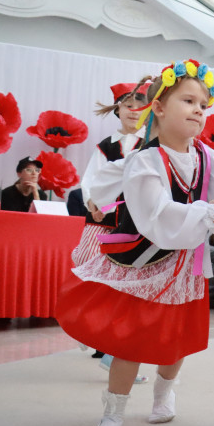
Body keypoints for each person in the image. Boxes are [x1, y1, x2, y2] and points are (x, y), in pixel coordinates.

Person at [56, 60, 214, 426]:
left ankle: (165, 393)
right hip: (144, 261)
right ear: (159, 108)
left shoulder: (207, 157)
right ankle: (113, 412)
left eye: (203, 103)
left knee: (175, 337)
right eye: (188, 100)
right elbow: (157, 217)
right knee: (129, 340)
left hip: (184, 265)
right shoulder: (146, 160)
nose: (200, 109)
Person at [75, 82, 149, 376]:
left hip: (138, 224)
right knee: (94, 277)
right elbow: (90, 181)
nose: (134, 111)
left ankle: (114, 351)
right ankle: (95, 336)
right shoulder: (106, 146)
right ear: (117, 109)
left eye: (140, 105)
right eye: (128, 105)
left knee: (127, 289)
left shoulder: (153, 143)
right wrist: (93, 201)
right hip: (104, 223)